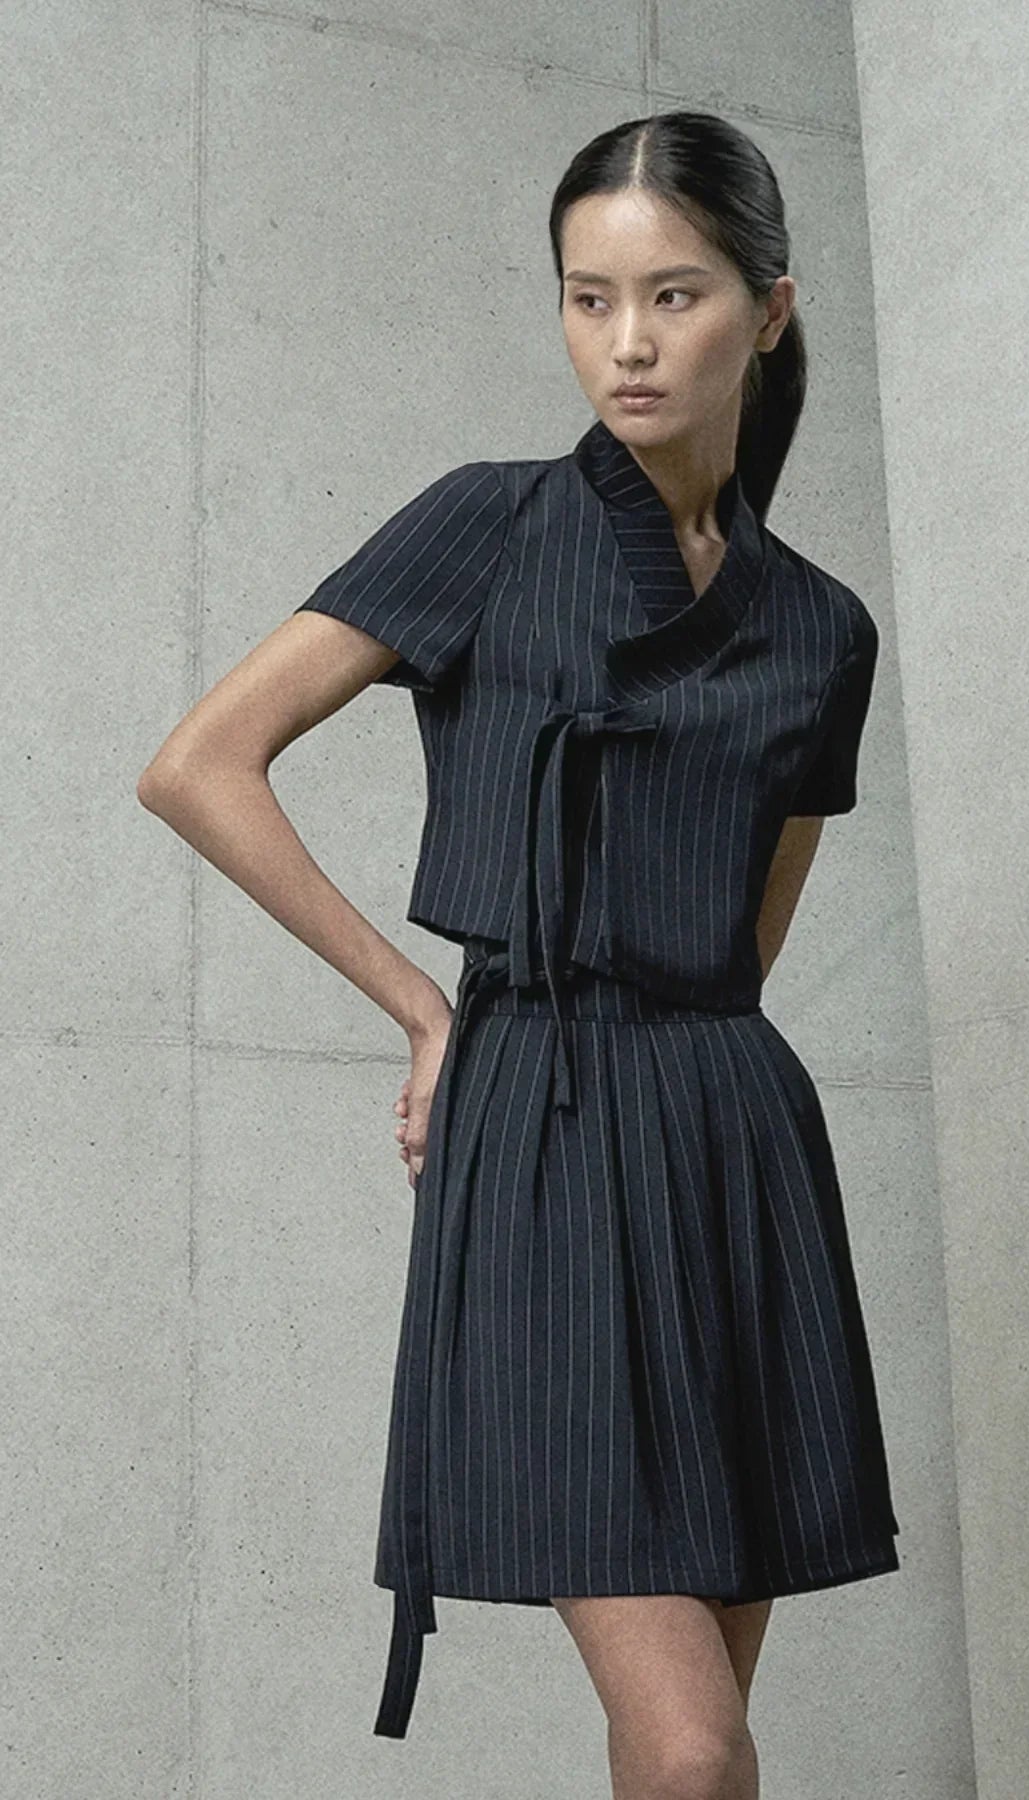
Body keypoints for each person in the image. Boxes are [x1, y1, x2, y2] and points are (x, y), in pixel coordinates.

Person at [138, 108, 900, 1800]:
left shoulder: (821, 629)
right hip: (540, 1131)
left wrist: (684, 1065)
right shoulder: (486, 525)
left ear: (769, 310)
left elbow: (745, 950)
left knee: (696, 1754)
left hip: (728, 1142)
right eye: (587, 297)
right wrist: (428, 1012)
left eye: (675, 297)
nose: (625, 343)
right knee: (697, 1754)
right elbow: (198, 764)